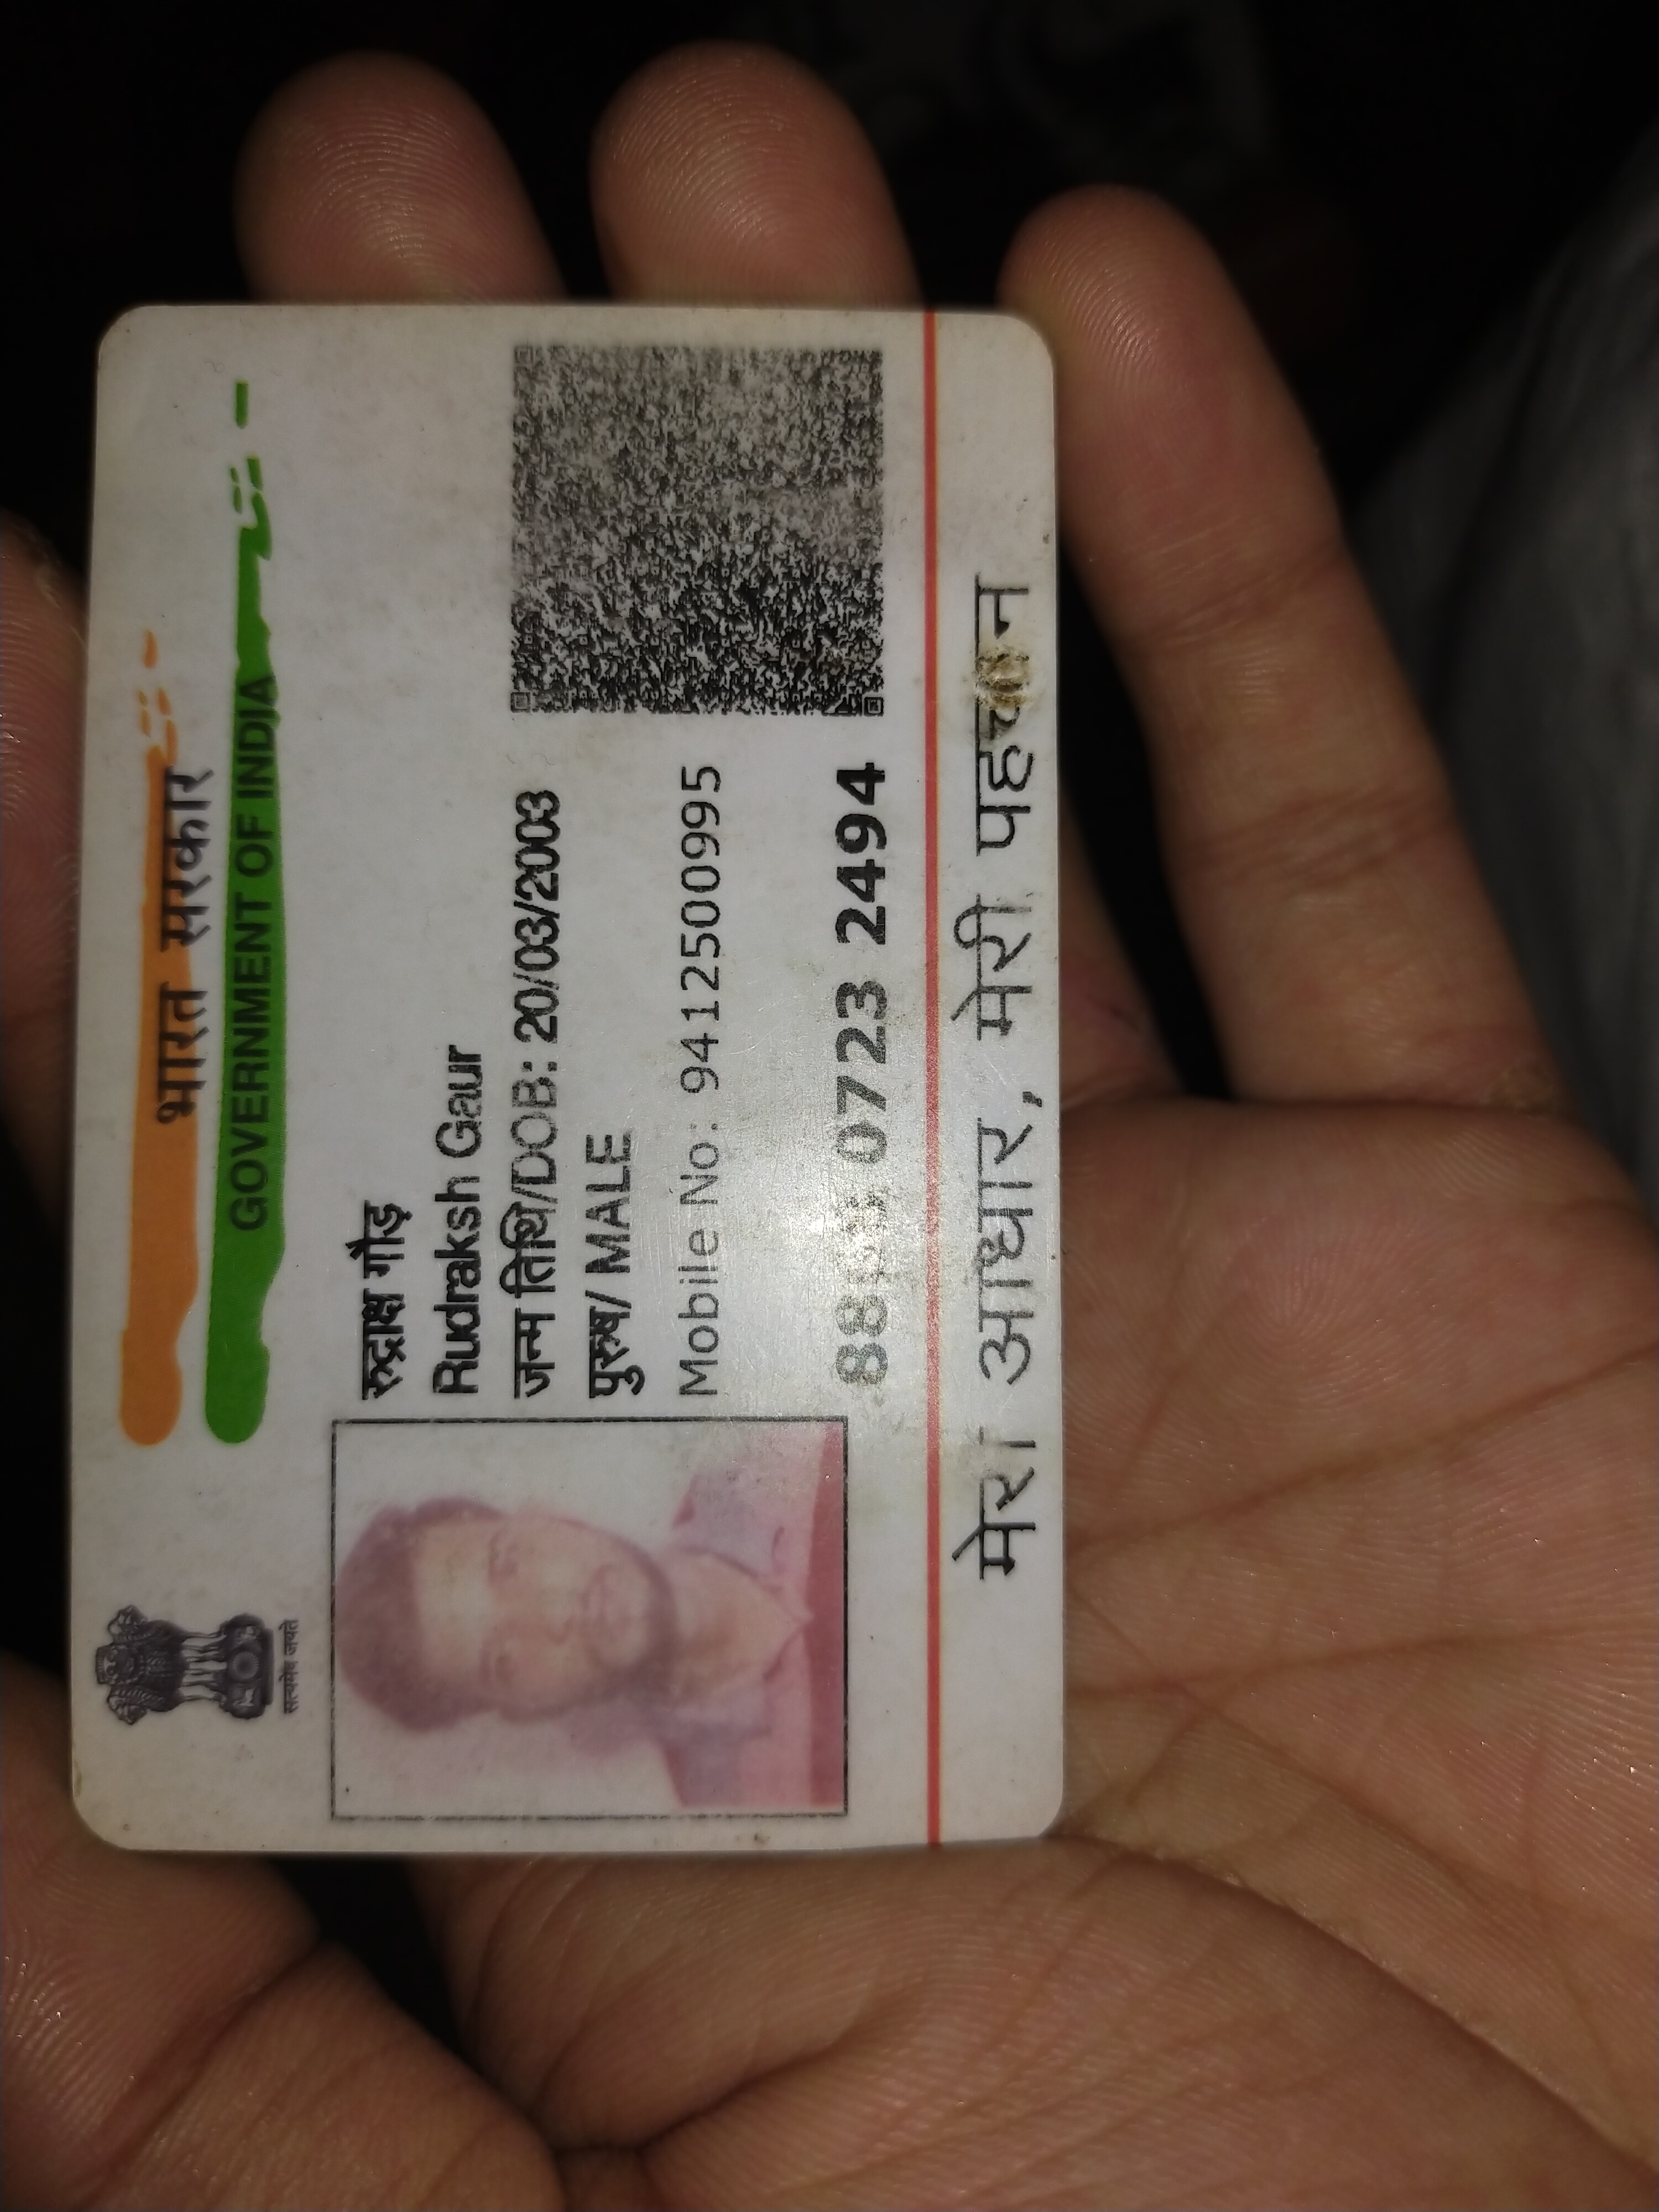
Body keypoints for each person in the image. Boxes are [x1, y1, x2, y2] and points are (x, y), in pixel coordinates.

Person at [2, 42, 1653, 2211]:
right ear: (515, 1730)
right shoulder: (755, 1789)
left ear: (520, 1508)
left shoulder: (781, 1496)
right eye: (502, 1657)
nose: (543, 1612)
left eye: (495, 1570)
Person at [337, 1453, 846, 1809]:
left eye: (509, 1563)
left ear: (547, 1515)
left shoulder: (779, 1461)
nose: (554, 1613)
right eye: (503, 1659)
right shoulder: (741, 1813)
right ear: (526, 1711)